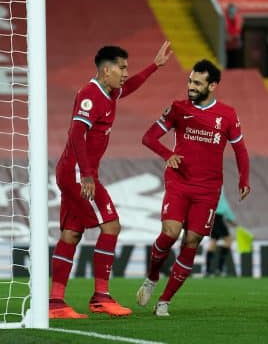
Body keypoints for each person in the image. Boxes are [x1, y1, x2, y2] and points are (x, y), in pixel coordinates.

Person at [48, 41, 172, 319]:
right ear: (106, 70)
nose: (126, 72)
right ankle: (101, 296)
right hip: (78, 175)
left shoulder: (110, 93)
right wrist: (88, 175)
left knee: (71, 234)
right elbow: (76, 135)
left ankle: (55, 302)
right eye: (122, 67)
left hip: (75, 173)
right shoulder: (90, 95)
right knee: (112, 225)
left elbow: (130, 87)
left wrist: (155, 66)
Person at [135, 59, 250, 317]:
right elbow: (148, 137)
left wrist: (244, 179)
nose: (190, 86)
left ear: (212, 86)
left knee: (192, 240)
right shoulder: (177, 109)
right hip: (179, 182)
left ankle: (164, 301)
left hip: (208, 190)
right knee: (170, 232)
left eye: (197, 83)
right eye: (189, 81)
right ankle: (152, 277)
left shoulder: (227, 115)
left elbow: (240, 149)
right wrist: (168, 155)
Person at [205, 189, 237, 277]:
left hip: (212, 216)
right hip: (217, 218)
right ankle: (219, 268)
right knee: (227, 240)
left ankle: (209, 270)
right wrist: (231, 218)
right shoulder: (218, 186)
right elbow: (223, 204)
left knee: (213, 241)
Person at [224, 3, 243, 68]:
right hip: (228, 45)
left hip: (235, 45)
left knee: (236, 62)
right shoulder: (225, 17)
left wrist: (233, 36)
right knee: (229, 62)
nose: (231, 12)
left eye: (233, 10)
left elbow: (238, 29)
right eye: (230, 10)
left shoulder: (237, 17)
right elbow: (225, 28)